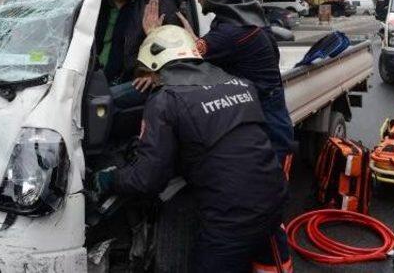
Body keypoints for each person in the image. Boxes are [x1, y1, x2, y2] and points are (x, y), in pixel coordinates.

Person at [93, 25, 291, 273]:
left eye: (148, 74)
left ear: (155, 64)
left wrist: (111, 178)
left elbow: (147, 179)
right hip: (275, 199)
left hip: (231, 219)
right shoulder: (240, 84)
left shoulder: (165, 100)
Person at [143, 0, 294, 166]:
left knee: (263, 188)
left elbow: (185, 60)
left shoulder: (230, 32)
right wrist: (197, 40)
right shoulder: (244, 9)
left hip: (266, 126)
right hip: (268, 112)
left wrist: (154, 34)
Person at [95, 0, 179, 108]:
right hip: (96, 75)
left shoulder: (150, 3)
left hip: (132, 76)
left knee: (98, 104)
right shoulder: (98, 7)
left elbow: (175, 44)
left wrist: (155, 72)